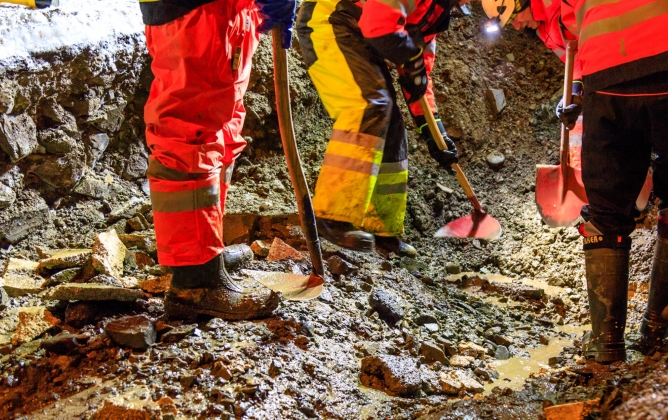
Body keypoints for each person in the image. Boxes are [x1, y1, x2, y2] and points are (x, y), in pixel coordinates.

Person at [548, 0, 668, 363]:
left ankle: (606, 345)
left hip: (607, 74)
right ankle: (655, 330)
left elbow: (570, 17)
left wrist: (578, 82)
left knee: (605, 213)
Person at [139, 0, 295, 320]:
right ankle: (196, 280)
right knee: (190, 134)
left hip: (232, 11)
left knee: (224, 127)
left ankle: (208, 252)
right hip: (197, 10)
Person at [295, 0, 464, 258]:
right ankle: (331, 218)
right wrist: (410, 57)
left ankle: (381, 228)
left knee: (393, 128)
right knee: (370, 105)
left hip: (363, 35)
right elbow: (380, 26)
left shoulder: (437, 12)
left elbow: (418, 77)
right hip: (332, 19)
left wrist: (435, 134)